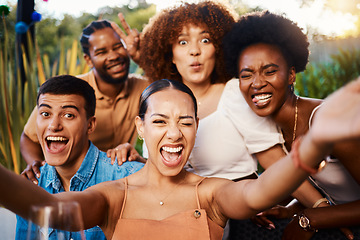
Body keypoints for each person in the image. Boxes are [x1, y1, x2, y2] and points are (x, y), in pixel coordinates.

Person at [0, 78, 360, 240]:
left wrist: (311, 147)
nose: (174, 134)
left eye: (185, 122)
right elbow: (47, 210)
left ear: (196, 127)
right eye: (159, 121)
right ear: (140, 128)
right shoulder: (113, 194)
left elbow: (257, 194)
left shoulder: (209, 192)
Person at [113, 2, 329, 238]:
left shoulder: (234, 93)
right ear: (170, 53)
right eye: (183, 42)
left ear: (219, 48)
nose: (195, 51)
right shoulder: (162, 103)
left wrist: (321, 207)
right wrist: (138, 158)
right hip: (173, 215)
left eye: (205, 40)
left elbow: (276, 161)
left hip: (235, 217)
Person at [223, 11, 360, 239]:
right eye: (246, 75)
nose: (257, 83)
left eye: (270, 71)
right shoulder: (270, 133)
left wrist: (310, 220)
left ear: (291, 75)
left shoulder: (329, 124)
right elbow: (329, 188)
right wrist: (290, 207)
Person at [15, 75, 144, 240]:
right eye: (46, 113)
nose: (54, 125)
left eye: (68, 115)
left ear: (90, 125)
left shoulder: (128, 178)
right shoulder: (30, 186)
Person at [20, 19, 149, 182]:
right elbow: (28, 138)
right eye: (102, 52)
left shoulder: (143, 88)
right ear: (88, 60)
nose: (113, 56)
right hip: (73, 180)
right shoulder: (72, 93)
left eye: (118, 47)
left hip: (116, 177)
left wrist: (143, 60)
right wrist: (38, 167)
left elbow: (178, 89)